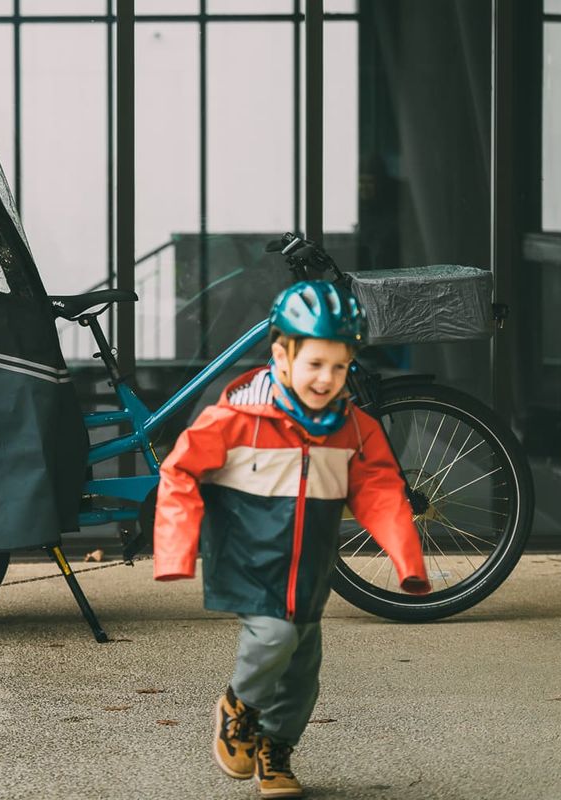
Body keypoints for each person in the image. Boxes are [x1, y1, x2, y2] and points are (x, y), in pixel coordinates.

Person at [153, 279, 431, 797]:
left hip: (309, 574)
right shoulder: (236, 419)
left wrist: (407, 561)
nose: (327, 378)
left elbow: (380, 491)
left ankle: (275, 750)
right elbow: (179, 472)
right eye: (315, 364)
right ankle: (238, 707)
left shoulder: (354, 428)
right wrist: (176, 550)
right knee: (273, 638)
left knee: (302, 675)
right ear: (282, 356)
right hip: (250, 564)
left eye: (340, 367)